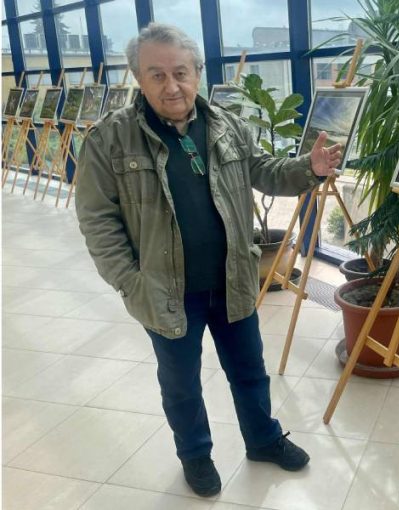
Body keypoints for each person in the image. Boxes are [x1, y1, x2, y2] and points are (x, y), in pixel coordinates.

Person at [75, 23, 342, 497]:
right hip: (164, 291)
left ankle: (262, 439)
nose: (171, 86)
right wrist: (131, 283)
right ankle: (195, 455)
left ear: (197, 72)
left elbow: (264, 170)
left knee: (250, 370)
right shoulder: (109, 139)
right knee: (181, 385)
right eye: (157, 74)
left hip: (232, 278)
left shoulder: (225, 124)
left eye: (180, 72)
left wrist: (310, 168)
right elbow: (97, 221)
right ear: (138, 77)